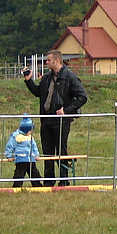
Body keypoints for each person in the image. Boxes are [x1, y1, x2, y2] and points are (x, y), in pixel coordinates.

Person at [23, 50, 88, 186]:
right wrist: (28, 81)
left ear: (57, 61)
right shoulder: (47, 77)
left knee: (61, 150)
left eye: (48, 60)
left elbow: (82, 97)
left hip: (61, 121)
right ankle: (49, 181)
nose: (46, 62)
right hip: (46, 119)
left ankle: (64, 180)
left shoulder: (69, 77)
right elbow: (38, 92)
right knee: (47, 152)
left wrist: (66, 110)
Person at [4, 117, 41, 187]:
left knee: (34, 173)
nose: (31, 132)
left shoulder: (30, 137)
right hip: (21, 159)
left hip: (31, 159)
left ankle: (38, 186)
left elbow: (34, 146)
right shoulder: (16, 136)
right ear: (25, 129)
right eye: (30, 130)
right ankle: (16, 187)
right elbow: (9, 145)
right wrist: (9, 156)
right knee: (19, 174)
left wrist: (36, 155)